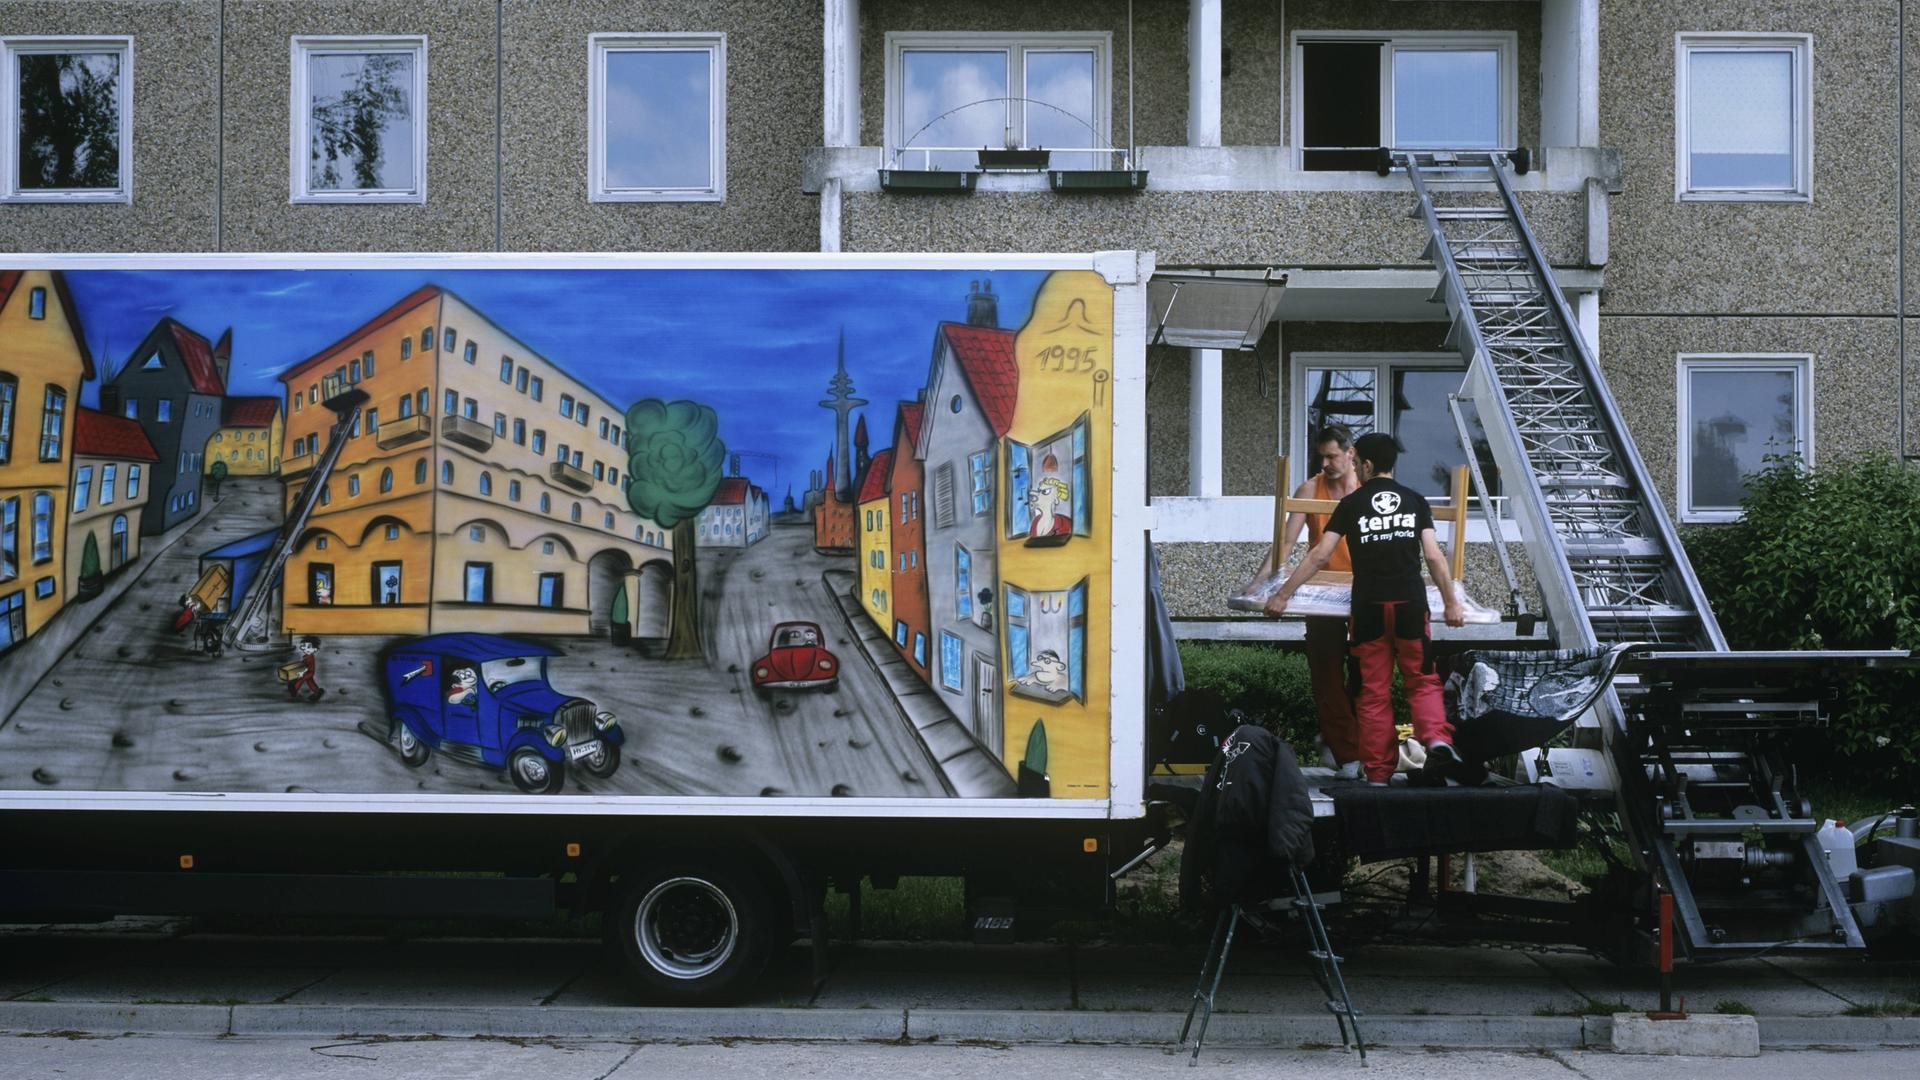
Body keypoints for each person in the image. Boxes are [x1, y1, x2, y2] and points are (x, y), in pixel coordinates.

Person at [1266, 433, 1465, 783]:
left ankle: (1376, 773)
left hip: (1369, 608)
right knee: (1421, 680)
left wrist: (1283, 594)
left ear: (1367, 465)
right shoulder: (1416, 500)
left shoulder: (1353, 504)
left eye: (1357, 463)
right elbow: (1434, 556)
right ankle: (1435, 737)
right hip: (1409, 605)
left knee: (1374, 692)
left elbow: (1319, 555)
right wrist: (1451, 602)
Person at [1243, 425, 1362, 777]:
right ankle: (1346, 751)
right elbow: (1286, 543)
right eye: (1321, 457)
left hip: (1364, 591)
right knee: (1326, 673)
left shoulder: (1367, 489)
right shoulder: (1310, 488)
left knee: (1365, 675)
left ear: (1351, 453)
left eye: (1332, 456)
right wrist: (1259, 583)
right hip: (1320, 594)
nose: (1326, 463)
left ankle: (1342, 740)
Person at [287, 635, 323, 702]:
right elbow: (304, 664)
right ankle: (317, 691)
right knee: (310, 682)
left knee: (301, 679)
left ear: (315, 649)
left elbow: (307, 667)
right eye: (304, 646)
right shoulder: (307, 656)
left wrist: (302, 672)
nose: (305, 648)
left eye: (308, 647)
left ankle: (294, 690)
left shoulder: (309, 657)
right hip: (309, 672)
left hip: (309, 672)